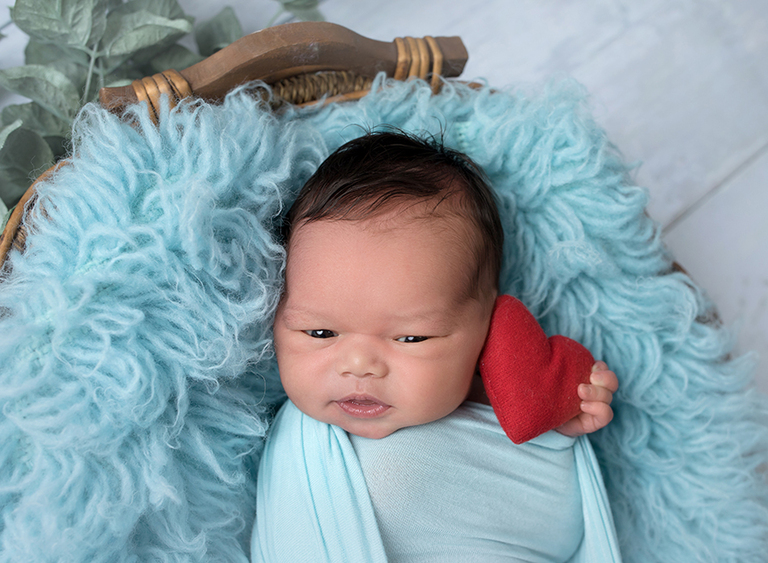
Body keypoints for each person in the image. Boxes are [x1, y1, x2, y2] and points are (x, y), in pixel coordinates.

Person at [252, 131, 622, 562]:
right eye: (320, 333)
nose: (358, 365)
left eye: (411, 338)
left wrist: (564, 418)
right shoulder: (297, 448)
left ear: (486, 325)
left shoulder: (508, 409)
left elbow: (548, 512)